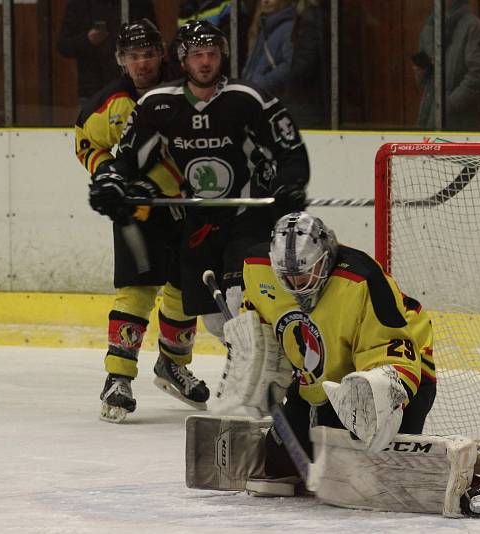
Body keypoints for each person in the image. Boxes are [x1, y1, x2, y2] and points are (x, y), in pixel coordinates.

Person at [88, 20, 309, 372]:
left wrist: (289, 184)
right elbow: (128, 159)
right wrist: (111, 183)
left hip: (244, 216)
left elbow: (290, 151)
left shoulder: (249, 99)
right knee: (213, 319)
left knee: (237, 300)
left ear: (222, 56)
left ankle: (264, 376)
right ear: (182, 59)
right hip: (198, 222)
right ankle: (260, 371)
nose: (205, 62)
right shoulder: (159, 104)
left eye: (212, 54)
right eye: (196, 55)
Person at [221, 211, 437, 496]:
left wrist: (382, 394)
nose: (297, 286)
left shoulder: (362, 279)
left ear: (324, 258)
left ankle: (389, 446)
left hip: (404, 372)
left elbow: (388, 348)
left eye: (304, 274)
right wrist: (256, 359)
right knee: (279, 463)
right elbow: (263, 322)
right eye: (287, 277)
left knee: (364, 466)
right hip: (320, 377)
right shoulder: (258, 268)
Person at [76, 19, 205, 424]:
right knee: (137, 290)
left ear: (161, 55)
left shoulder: (185, 92)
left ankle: (172, 365)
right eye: (134, 56)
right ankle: (118, 377)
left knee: (185, 291)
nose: (143, 63)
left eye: (149, 53)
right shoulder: (110, 101)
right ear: (122, 60)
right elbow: (85, 140)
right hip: (139, 210)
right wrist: (108, 175)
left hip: (187, 206)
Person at [414, 0, 480, 131]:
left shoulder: (474, 28)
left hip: (462, 125)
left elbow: (479, 76)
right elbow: (424, 77)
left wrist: (450, 104)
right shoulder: (430, 27)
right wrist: (421, 71)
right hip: (429, 119)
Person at [57, 0, 156, 104]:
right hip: (93, 88)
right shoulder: (79, 4)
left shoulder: (138, 3)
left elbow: (154, 39)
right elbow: (63, 46)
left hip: (136, 86)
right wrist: (87, 40)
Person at [282, 0, 328, 129]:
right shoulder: (311, 16)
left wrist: (284, 85)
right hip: (308, 101)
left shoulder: (309, 18)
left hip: (306, 104)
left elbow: (304, 62)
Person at [241, 0, 296, 96]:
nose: (265, 1)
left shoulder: (288, 28)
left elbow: (290, 65)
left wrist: (261, 83)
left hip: (270, 97)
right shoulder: (265, 25)